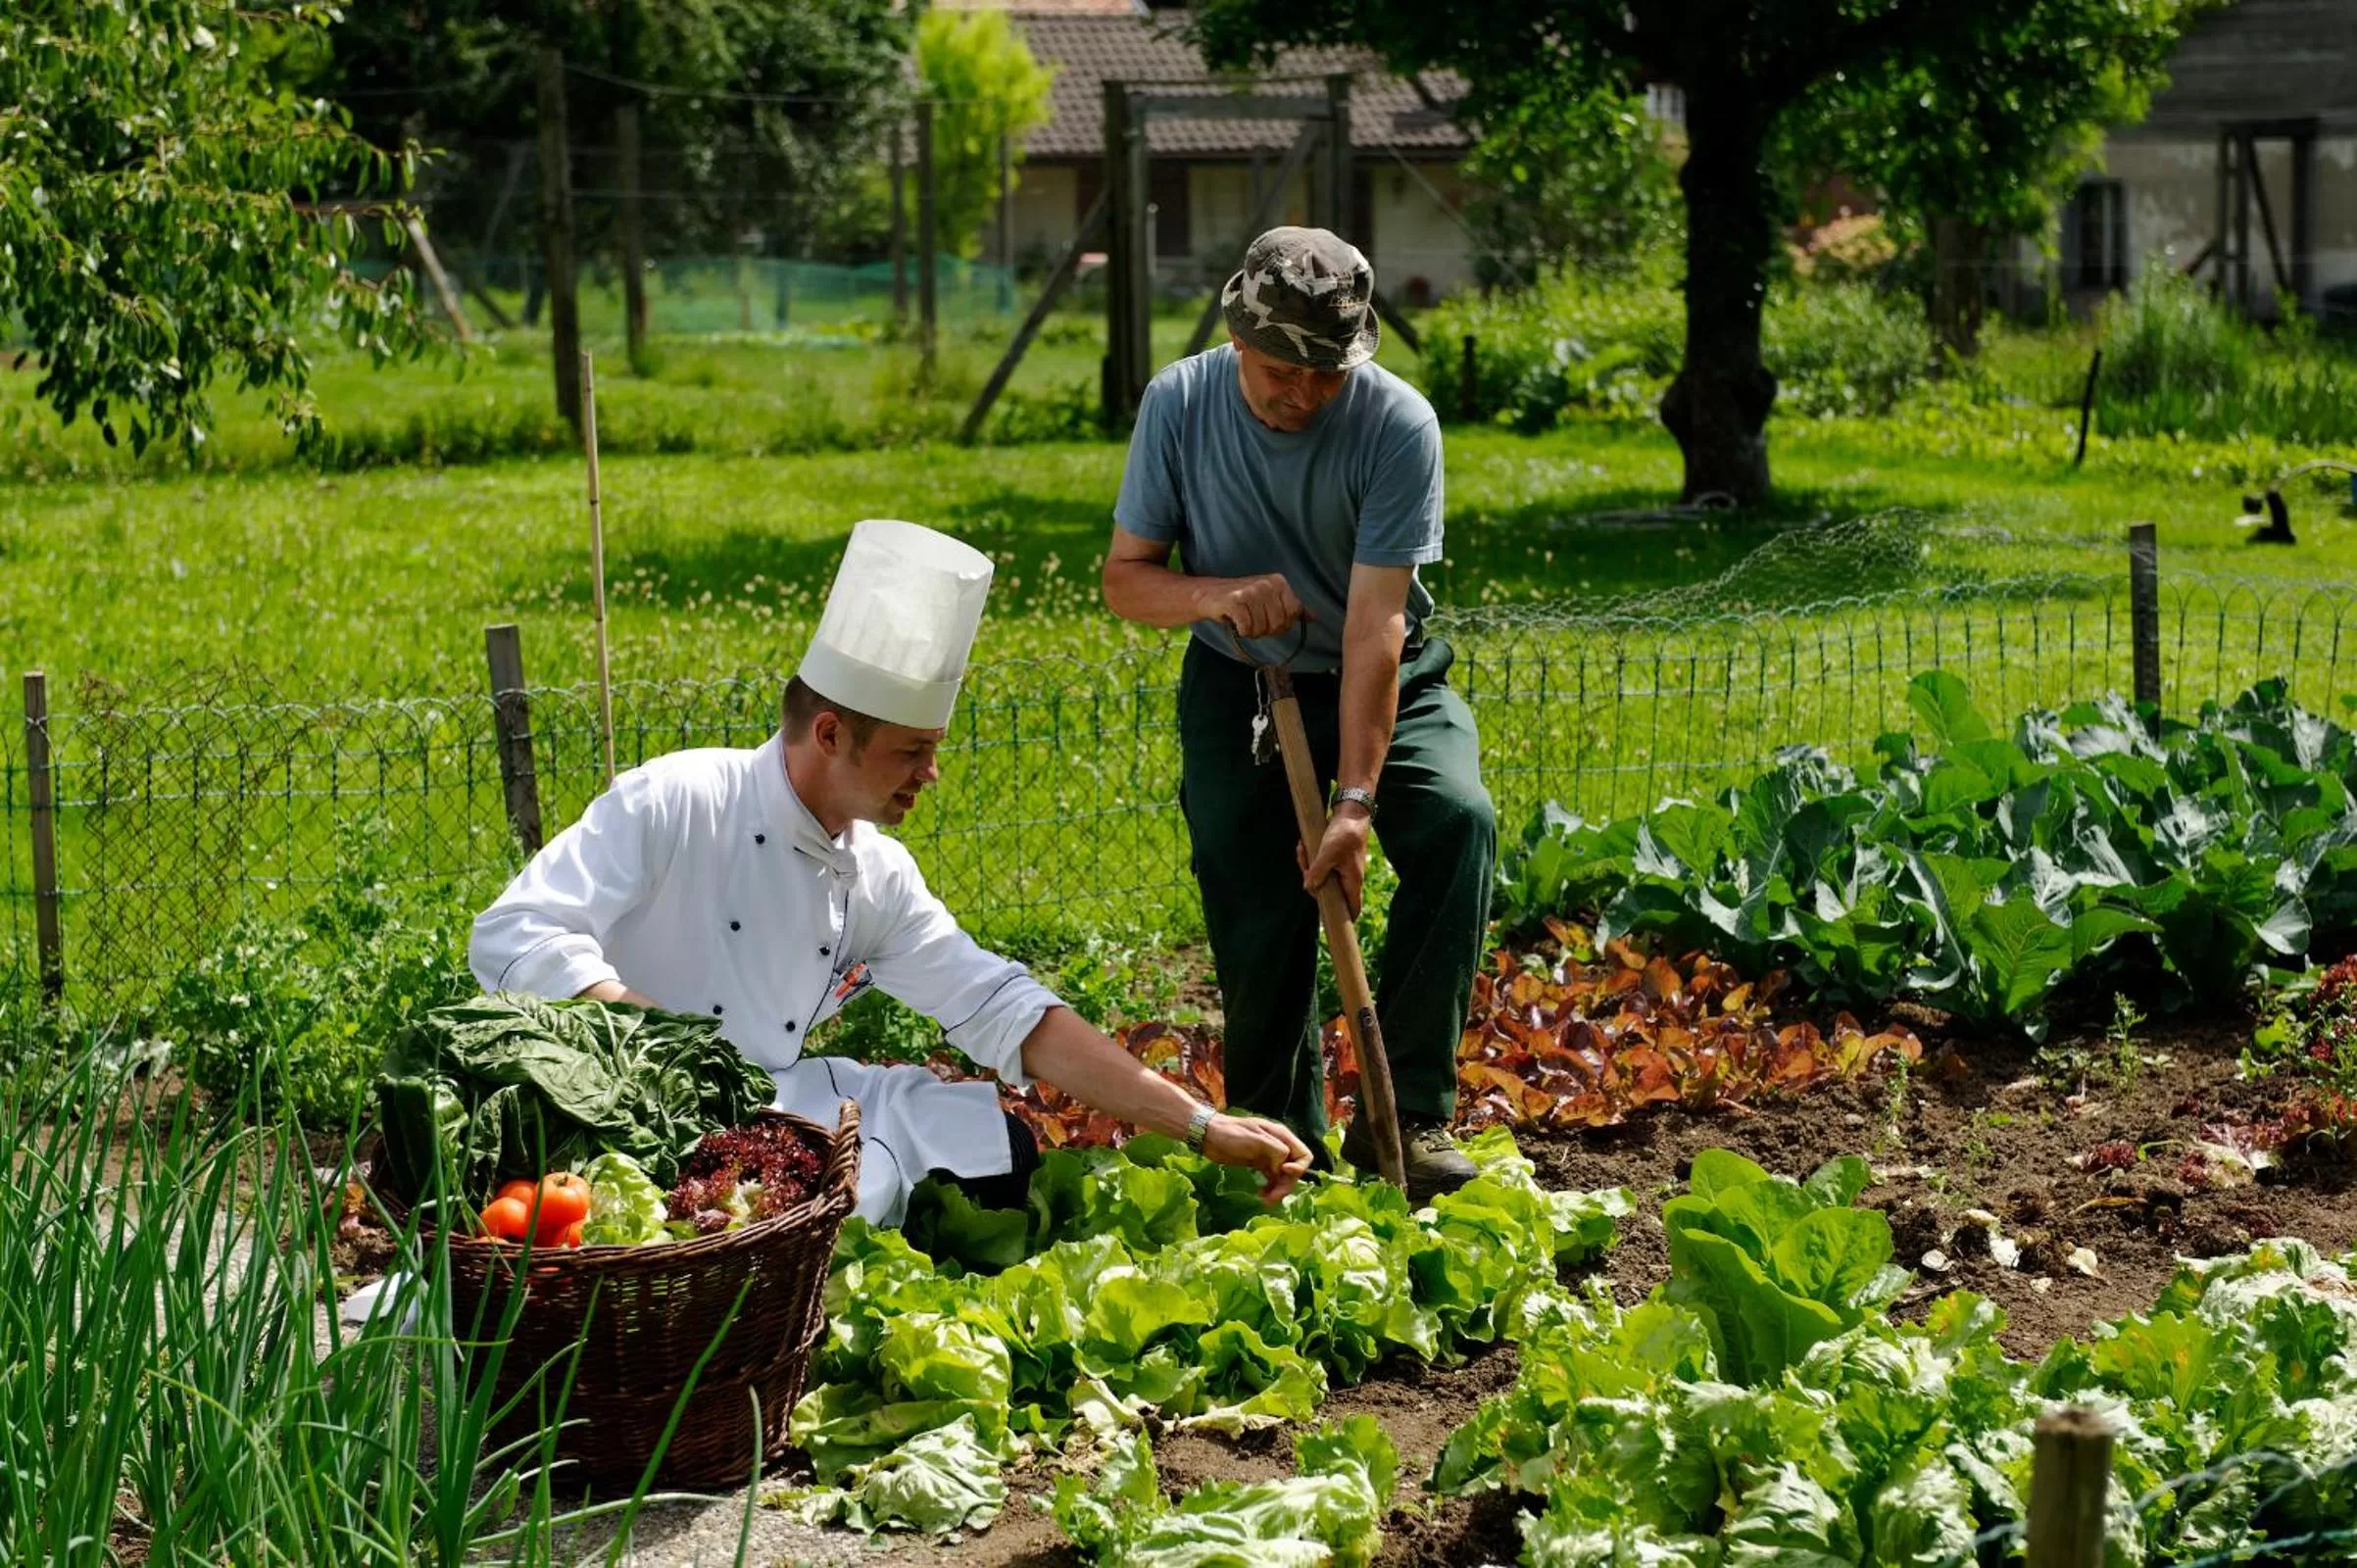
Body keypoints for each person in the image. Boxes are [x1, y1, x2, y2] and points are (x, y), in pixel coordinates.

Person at [470, 519, 1312, 1226]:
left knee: (999, 1150)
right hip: (621, 1111)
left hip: (776, 1099)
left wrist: (1200, 1125)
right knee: (795, 1211)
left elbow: (1008, 1012)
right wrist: (659, 1042)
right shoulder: (678, 797)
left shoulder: (875, 871)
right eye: (913, 752)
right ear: (830, 733)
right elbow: (513, 933)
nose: (930, 775)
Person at [1101, 227, 1497, 1200]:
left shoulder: (1395, 424)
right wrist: (1217, 594)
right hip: (1237, 680)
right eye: (1283, 368)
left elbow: (1376, 624)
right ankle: (1282, 1142)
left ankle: (1404, 1112)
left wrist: (1355, 800)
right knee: (1256, 897)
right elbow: (1125, 581)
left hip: (1380, 673)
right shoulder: (1178, 405)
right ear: (1237, 336)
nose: (1305, 392)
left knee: (1456, 820)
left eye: (1327, 373)